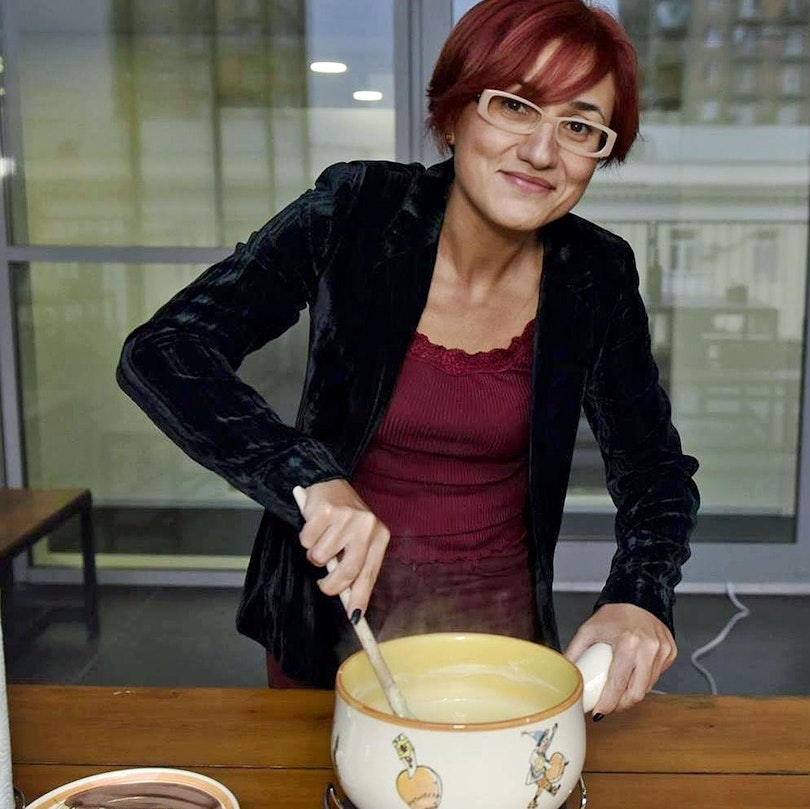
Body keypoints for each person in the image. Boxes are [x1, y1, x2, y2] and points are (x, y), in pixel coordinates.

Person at [116, 0, 699, 716]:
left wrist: (639, 596)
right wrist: (306, 477)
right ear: (453, 115)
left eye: (578, 126)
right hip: (327, 632)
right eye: (514, 106)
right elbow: (165, 350)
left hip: (498, 641)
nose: (543, 151)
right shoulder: (358, 210)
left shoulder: (595, 272)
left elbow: (655, 473)